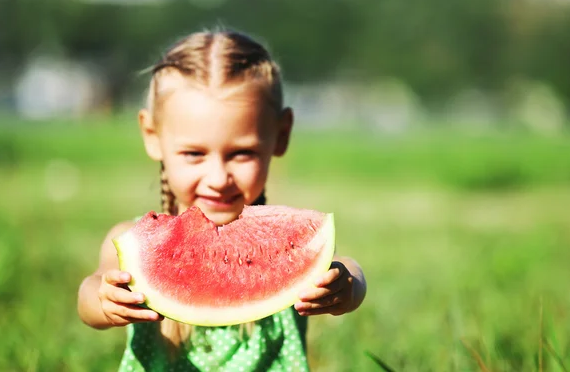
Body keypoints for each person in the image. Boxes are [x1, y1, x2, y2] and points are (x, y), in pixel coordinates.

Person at [77, 30, 367, 371]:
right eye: (194, 153)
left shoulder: (291, 250)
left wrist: (347, 286)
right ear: (152, 137)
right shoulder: (127, 242)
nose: (218, 178)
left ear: (281, 134)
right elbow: (89, 295)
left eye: (241, 153)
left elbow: (352, 272)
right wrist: (104, 300)